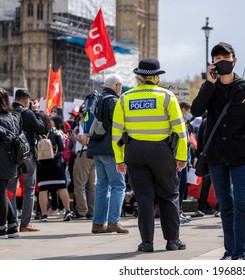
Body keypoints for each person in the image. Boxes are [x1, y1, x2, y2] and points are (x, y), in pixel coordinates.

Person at [191, 42, 245, 260]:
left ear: (234, 59)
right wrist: (208, 84)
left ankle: (240, 252)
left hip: (240, 155)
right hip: (215, 156)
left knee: (241, 203)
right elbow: (195, 110)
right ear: (212, 63)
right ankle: (229, 250)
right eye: (217, 58)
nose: (222, 61)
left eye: (226, 57)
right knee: (225, 205)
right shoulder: (210, 88)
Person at [112, 58, 188, 252]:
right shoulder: (167, 96)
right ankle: (172, 240)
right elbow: (180, 131)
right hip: (161, 151)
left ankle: (146, 243)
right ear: (155, 77)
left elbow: (116, 133)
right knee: (169, 195)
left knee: (144, 198)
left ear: (139, 77)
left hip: (134, 151)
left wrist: (119, 159)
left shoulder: (125, 98)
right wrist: (181, 156)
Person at [88, 74, 129, 234]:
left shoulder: (97, 98)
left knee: (102, 186)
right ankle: (113, 222)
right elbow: (119, 125)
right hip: (110, 149)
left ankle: (98, 223)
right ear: (117, 85)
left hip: (96, 147)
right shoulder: (113, 101)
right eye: (121, 87)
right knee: (118, 185)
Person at [7, 89, 45, 232]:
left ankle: (10, 222)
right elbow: (41, 128)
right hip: (27, 153)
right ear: (26, 101)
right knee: (29, 188)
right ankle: (24, 224)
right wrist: (35, 111)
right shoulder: (27, 113)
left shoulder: (8, 112)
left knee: (9, 189)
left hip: (11, 156)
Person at [36, 115, 73, 222]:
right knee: (61, 187)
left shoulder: (37, 134)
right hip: (55, 163)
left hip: (42, 164)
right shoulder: (56, 133)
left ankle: (43, 215)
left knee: (43, 189)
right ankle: (67, 211)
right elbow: (62, 148)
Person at [0, 87, 20, 238]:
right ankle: (13, 226)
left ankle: (2, 228)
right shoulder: (13, 116)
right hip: (11, 160)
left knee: (1, 194)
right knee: (3, 193)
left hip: (1, 160)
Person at [71, 117, 96, 219]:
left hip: (84, 154)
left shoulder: (85, 121)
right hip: (94, 154)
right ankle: (92, 210)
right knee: (92, 185)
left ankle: (81, 211)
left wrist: (74, 135)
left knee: (80, 184)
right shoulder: (95, 120)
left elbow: (83, 140)